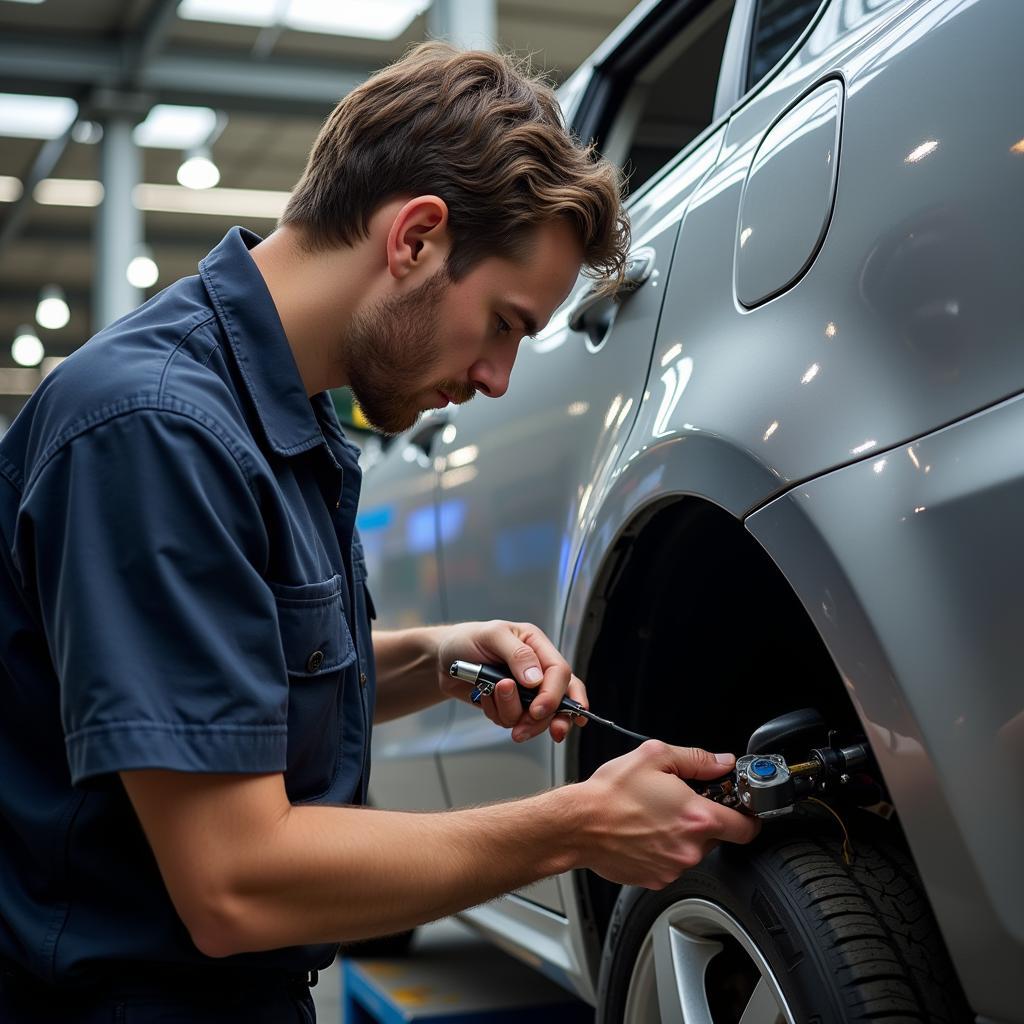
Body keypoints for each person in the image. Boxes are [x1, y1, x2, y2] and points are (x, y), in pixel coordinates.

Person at [0, 42, 759, 1022]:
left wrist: (438, 660)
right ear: (416, 238)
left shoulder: (284, 419)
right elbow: (235, 880)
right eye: (503, 323)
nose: (497, 378)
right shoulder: (156, 433)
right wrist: (577, 824)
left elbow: (229, 678)